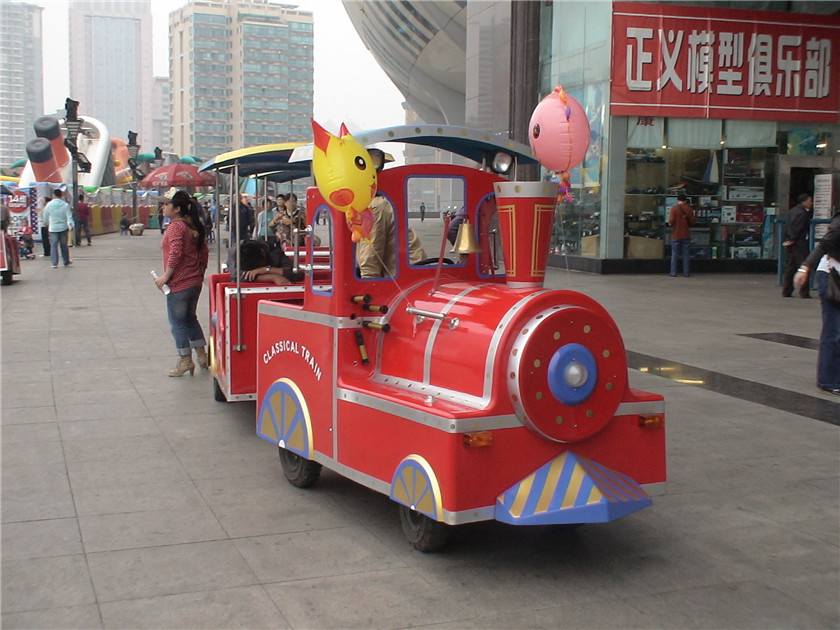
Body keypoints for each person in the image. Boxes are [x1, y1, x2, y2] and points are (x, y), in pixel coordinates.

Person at [153, 189, 209, 377]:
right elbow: (204, 253)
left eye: (166, 204)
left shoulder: (176, 227)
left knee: (177, 322)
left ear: (177, 209)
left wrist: (166, 276)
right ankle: (202, 356)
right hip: (194, 281)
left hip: (179, 283)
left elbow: (176, 252)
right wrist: (199, 273)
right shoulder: (192, 226)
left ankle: (185, 360)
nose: (162, 207)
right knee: (190, 318)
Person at [793, 211, 840, 396]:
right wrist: (804, 268)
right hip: (831, 277)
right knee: (833, 330)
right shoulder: (839, 225)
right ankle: (828, 381)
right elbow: (822, 246)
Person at [225, 239, 304, 285]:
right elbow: (236, 277)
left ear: (263, 253)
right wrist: (272, 277)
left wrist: (267, 269)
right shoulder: (235, 253)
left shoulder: (274, 252)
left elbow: (298, 273)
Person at [781, 193, 814, 298]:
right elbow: (798, 227)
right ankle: (804, 291)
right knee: (804, 265)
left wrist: (788, 239)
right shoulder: (803, 213)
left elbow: (788, 226)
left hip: (791, 241)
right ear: (804, 202)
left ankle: (787, 290)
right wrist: (793, 238)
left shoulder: (791, 211)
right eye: (810, 201)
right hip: (799, 242)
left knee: (791, 267)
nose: (811, 203)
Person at [42, 189, 74, 268]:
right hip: (63, 227)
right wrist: (71, 225)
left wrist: (47, 223)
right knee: (64, 245)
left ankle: (54, 263)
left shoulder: (49, 205)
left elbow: (45, 215)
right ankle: (66, 261)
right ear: (61, 195)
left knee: (54, 245)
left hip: (53, 227)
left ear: (53, 195)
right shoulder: (65, 205)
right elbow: (69, 216)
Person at [668, 193, 695, 277]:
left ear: (678, 200)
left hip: (676, 234)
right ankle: (686, 272)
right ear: (686, 201)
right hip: (686, 234)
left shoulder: (674, 209)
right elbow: (693, 221)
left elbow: (671, 221)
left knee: (674, 254)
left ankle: (673, 272)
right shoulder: (690, 209)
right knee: (686, 254)